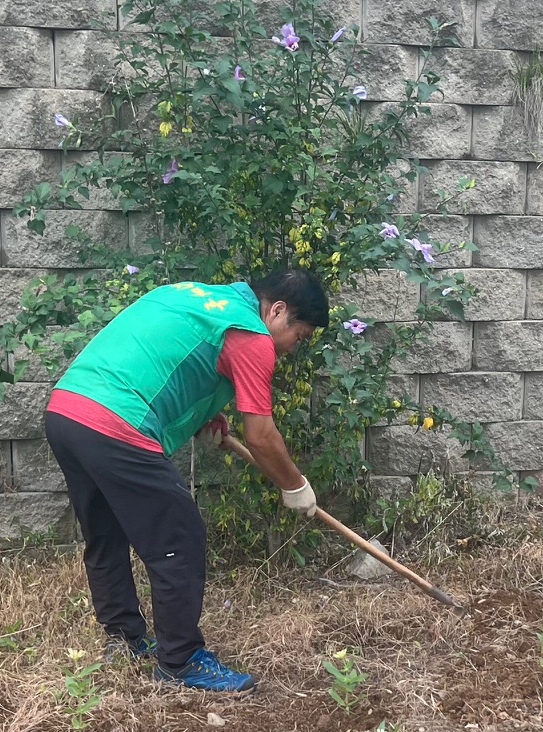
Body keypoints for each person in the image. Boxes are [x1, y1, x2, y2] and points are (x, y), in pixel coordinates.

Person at [43, 269, 329, 693]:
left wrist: (203, 414)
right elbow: (261, 436)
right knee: (180, 535)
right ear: (278, 310)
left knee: (105, 531)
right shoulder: (250, 335)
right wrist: (295, 485)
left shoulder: (189, 295)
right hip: (117, 422)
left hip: (67, 411)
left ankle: (124, 638)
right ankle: (180, 660)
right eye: (299, 336)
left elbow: (166, 359)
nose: (292, 347)